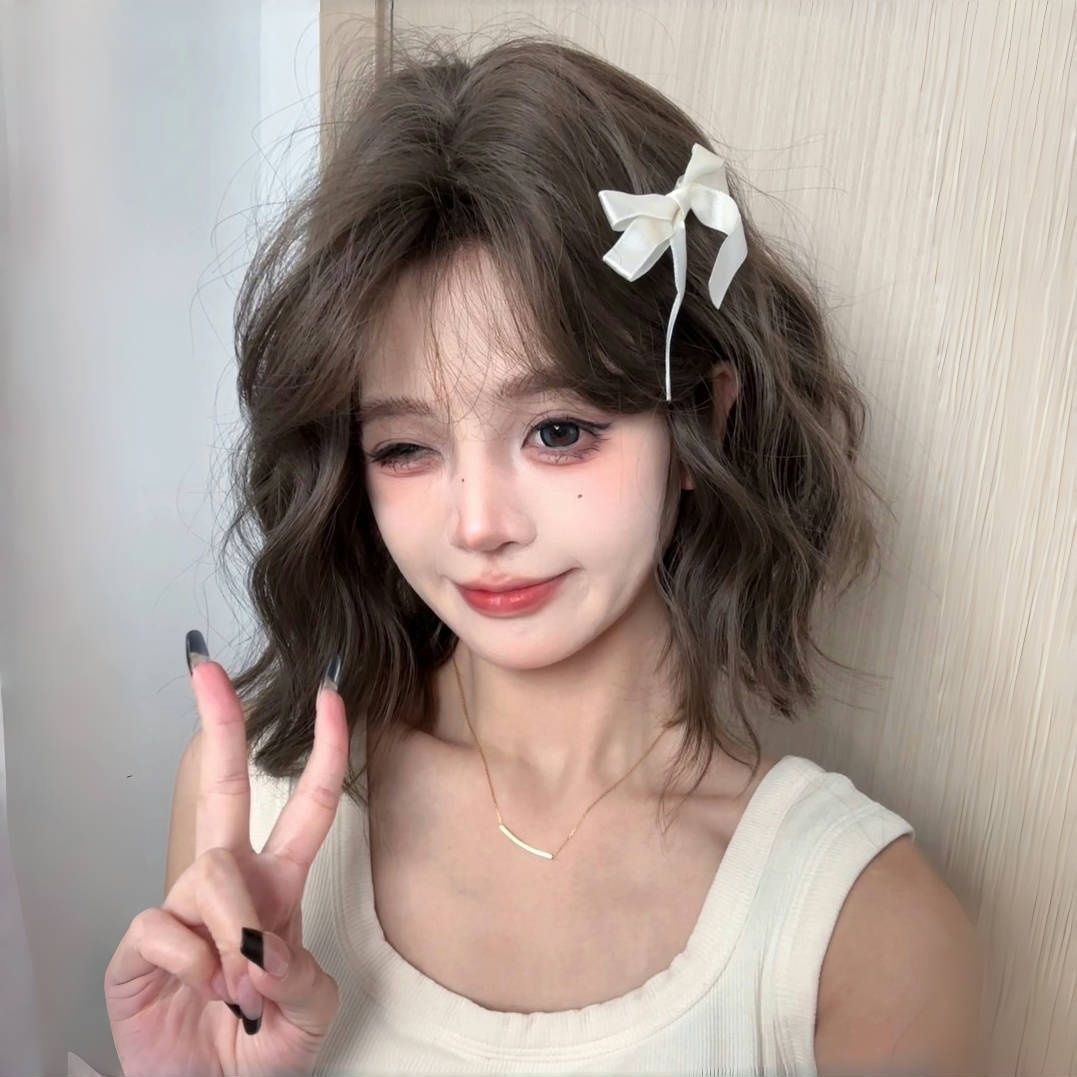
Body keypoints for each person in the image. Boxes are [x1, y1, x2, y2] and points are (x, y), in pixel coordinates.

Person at [104, 30, 984, 1076]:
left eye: (557, 431)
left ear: (702, 421)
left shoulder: (864, 935)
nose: (479, 523)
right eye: (405, 448)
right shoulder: (252, 808)